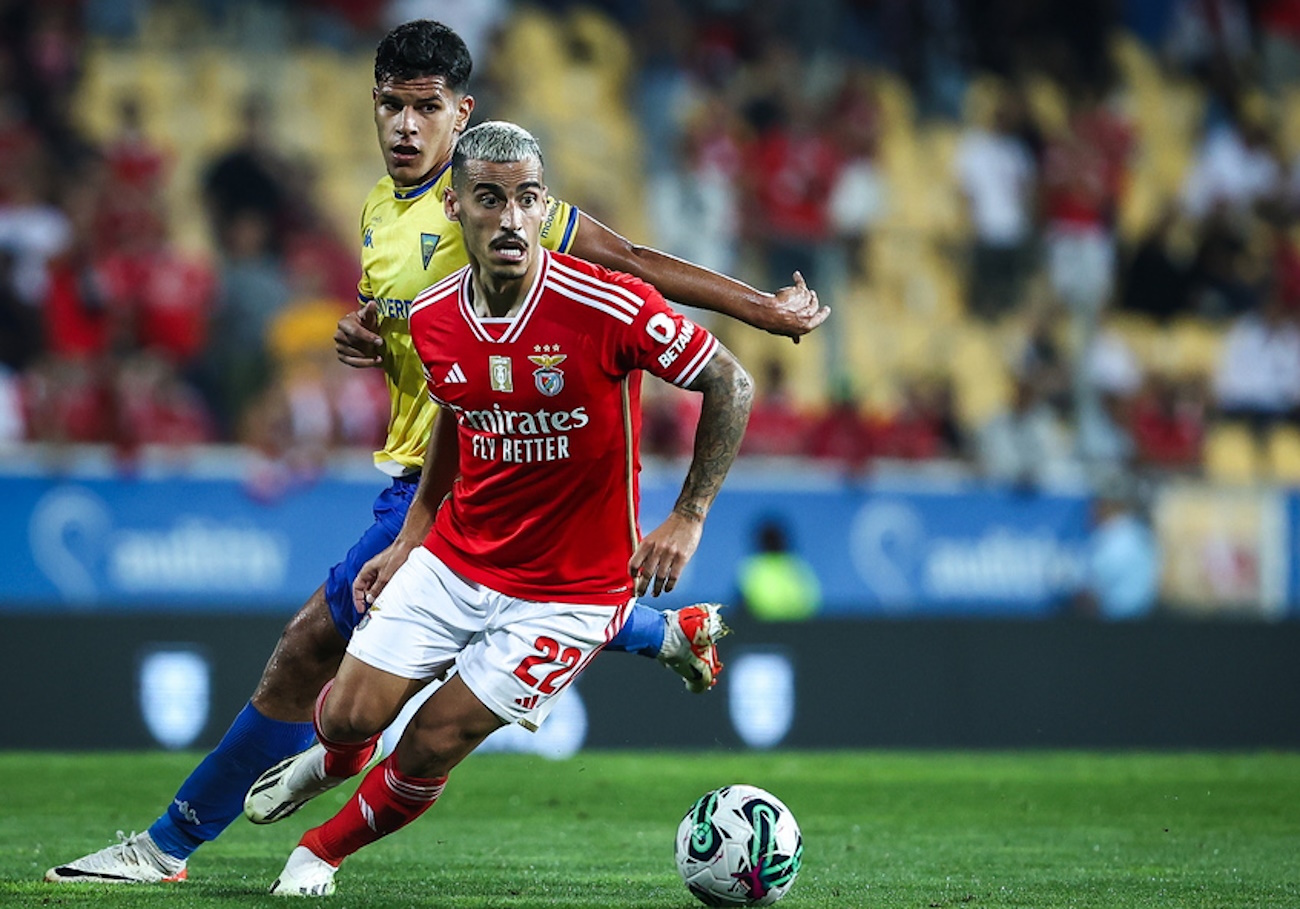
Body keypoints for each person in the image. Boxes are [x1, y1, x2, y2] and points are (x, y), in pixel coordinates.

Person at [44, 19, 824, 886]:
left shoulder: (499, 206)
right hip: (430, 465)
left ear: (463, 116)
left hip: (455, 477)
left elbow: (633, 262)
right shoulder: (382, 207)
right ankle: (655, 628)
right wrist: (373, 330)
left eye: (427, 108)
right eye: (391, 105)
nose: (407, 127)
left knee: (306, 650)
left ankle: (166, 844)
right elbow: (425, 321)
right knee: (420, 634)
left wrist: (764, 309)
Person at [244, 120, 754, 896]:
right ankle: (331, 760)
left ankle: (319, 851)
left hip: (573, 591)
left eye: (527, 200)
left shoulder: (611, 305)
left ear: (544, 207)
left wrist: (690, 513)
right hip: (458, 554)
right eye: (490, 199)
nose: (511, 218)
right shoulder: (432, 317)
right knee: (348, 716)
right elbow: (454, 413)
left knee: (429, 742)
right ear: (455, 207)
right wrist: (412, 537)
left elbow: (732, 382)